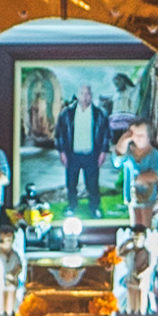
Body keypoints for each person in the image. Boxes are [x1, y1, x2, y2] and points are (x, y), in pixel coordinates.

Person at [57, 83, 110, 217]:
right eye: (82, 93)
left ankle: (94, 208)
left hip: (91, 155)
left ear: (91, 96)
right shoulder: (67, 113)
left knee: (92, 184)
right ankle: (71, 206)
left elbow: (106, 134)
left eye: (88, 94)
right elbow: (60, 133)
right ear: (78, 95)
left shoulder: (100, 114)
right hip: (72, 155)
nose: (85, 97)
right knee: (71, 183)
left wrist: (103, 152)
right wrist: (62, 152)